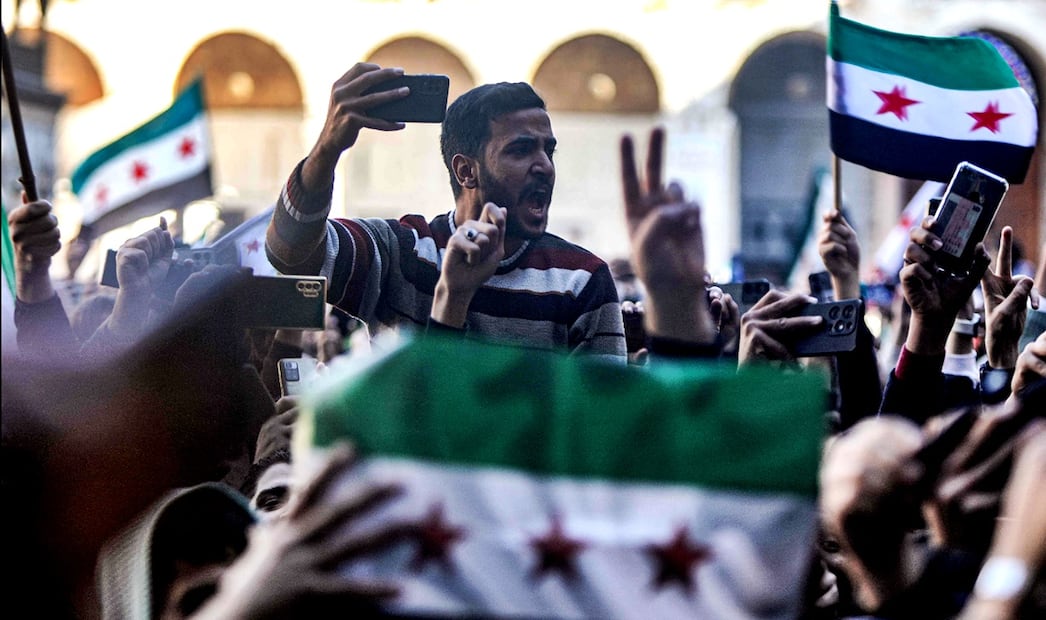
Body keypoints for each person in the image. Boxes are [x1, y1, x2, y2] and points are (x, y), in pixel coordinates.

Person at [265, 63, 625, 361]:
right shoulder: (404, 252)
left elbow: (601, 429)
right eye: (521, 150)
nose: (544, 166)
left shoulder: (582, 278)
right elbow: (289, 252)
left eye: (549, 150)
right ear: (466, 171)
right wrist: (327, 148)